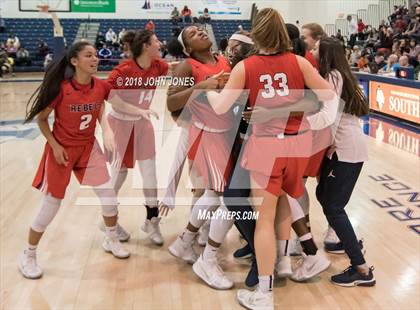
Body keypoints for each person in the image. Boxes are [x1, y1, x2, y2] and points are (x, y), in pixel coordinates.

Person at [207, 8, 334, 309]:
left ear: (257, 33)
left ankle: (264, 293)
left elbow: (221, 108)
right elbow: (327, 95)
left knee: (263, 219)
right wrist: (287, 106)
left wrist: (213, 91)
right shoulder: (299, 62)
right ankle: (285, 264)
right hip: (297, 145)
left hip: (266, 146)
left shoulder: (246, 66)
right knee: (284, 208)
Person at [18, 41, 129, 279]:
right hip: (62, 151)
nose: (95, 58)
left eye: (96, 55)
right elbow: (41, 120)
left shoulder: (100, 85)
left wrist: (109, 129)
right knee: (51, 205)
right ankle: (28, 254)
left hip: (89, 149)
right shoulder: (61, 88)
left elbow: (104, 106)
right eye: (89, 55)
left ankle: (111, 239)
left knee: (109, 197)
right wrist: (55, 145)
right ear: (75, 61)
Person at [166, 24, 236, 290]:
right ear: (187, 47)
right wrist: (203, 86)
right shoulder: (187, 67)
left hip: (226, 134)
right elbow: (172, 102)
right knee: (226, 196)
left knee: (213, 194)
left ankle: (185, 240)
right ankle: (206, 257)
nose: (201, 33)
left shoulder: (223, 60)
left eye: (201, 30)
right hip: (206, 134)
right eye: (193, 34)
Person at [314, 37, 375, 287]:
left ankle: (361, 269)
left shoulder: (333, 76)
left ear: (326, 53)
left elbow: (328, 119)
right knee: (322, 194)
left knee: (333, 207)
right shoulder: (341, 73)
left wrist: (293, 121)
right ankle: (342, 237)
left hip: (345, 150)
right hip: (343, 149)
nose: (312, 52)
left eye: (316, 49)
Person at [105, 30, 168, 245]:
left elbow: (178, 68)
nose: (160, 43)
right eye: (156, 41)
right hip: (119, 124)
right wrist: (135, 110)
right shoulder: (123, 70)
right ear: (145, 46)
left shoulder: (158, 66)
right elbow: (109, 96)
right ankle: (108, 223)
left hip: (142, 125)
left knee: (150, 176)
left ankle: (152, 221)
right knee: (117, 177)